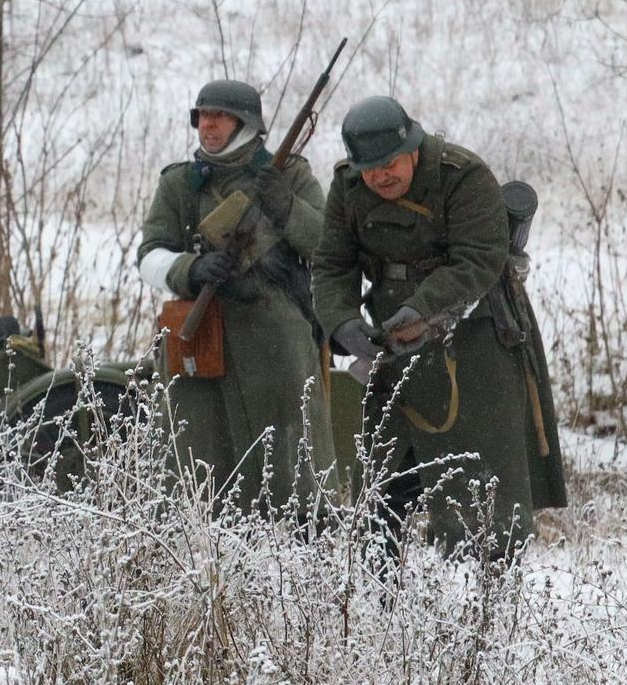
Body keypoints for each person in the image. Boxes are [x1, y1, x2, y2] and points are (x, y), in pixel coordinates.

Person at [312, 96, 567, 555]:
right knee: (382, 483)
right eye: (369, 168)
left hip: (477, 332)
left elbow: (480, 258)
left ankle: (484, 601)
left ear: (412, 148)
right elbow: (332, 265)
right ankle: (379, 598)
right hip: (389, 337)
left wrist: (424, 309)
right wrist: (343, 322)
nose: (380, 176)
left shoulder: (462, 175)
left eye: (389, 164)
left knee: (482, 483)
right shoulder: (347, 187)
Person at [135, 78, 335, 513]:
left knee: (290, 467)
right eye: (202, 115)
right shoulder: (179, 184)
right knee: (200, 465)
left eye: (219, 116)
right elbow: (149, 255)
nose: (208, 124)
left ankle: (298, 545)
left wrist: (285, 207)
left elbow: (326, 246)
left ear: (245, 123)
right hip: (202, 338)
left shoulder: (291, 174)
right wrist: (190, 269)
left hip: (276, 339)